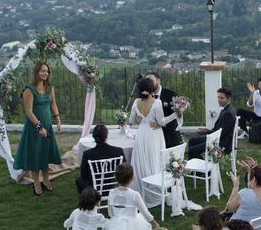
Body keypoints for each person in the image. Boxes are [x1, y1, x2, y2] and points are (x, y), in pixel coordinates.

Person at [13, 61, 62, 196]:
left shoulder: (49, 87)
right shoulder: (29, 90)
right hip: (34, 127)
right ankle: (36, 184)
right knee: (36, 155)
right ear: (36, 72)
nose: (45, 73)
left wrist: (57, 120)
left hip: (47, 126)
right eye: (42, 71)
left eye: (47, 71)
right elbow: (28, 112)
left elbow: (53, 105)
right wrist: (39, 127)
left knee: (45, 154)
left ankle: (46, 180)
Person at [128, 77, 178, 205]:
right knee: (155, 160)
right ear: (151, 89)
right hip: (154, 135)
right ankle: (155, 190)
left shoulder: (136, 102)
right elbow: (161, 122)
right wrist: (175, 114)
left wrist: (139, 119)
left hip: (141, 134)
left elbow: (132, 121)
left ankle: (142, 189)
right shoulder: (157, 102)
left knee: (142, 161)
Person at [188, 87, 237, 159]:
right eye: (218, 97)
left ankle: (205, 169)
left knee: (192, 150)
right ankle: (197, 167)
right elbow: (219, 129)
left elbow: (222, 134)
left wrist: (206, 132)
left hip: (221, 143)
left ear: (228, 99)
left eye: (222, 98)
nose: (219, 100)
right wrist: (206, 130)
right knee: (192, 141)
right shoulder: (226, 109)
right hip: (218, 138)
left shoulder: (228, 113)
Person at [76, 124, 125, 194]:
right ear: (107, 136)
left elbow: (84, 176)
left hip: (93, 187)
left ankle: (86, 200)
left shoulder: (87, 154)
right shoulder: (118, 151)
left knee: (79, 180)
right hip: (112, 185)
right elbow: (124, 171)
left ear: (94, 137)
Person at [145, 71, 183, 148]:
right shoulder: (144, 97)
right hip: (152, 137)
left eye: (151, 81)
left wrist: (161, 124)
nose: (148, 83)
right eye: (146, 81)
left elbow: (178, 116)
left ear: (158, 81)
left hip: (169, 137)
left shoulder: (172, 95)